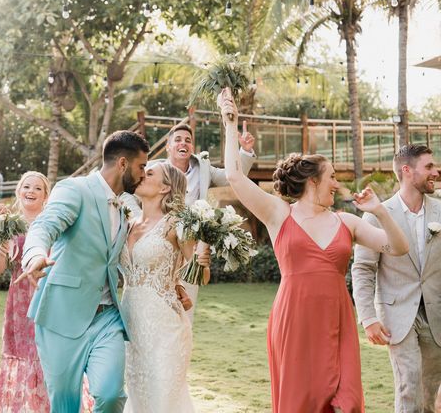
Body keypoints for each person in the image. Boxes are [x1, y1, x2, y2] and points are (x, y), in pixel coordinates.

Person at [219, 89, 409, 412]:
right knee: (300, 403)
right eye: (332, 177)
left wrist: (379, 211)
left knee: (347, 403)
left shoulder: (346, 221)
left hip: (337, 321)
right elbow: (234, 176)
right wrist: (229, 124)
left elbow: (397, 247)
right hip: (294, 320)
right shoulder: (279, 214)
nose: (336, 184)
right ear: (312, 180)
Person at [18, 130, 149, 412]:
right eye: (141, 166)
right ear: (123, 164)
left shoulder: (125, 205)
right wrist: (36, 254)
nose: (144, 174)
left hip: (108, 317)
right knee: (65, 404)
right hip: (62, 315)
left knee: (111, 394)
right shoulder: (74, 189)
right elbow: (45, 225)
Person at [124, 122, 256, 323]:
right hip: (157, 243)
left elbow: (231, 178)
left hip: (188, 245)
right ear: (168, 146)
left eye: (188, 140)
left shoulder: (202, 167)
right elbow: (127, 194)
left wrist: (245, 152)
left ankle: (179, 337)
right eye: (177, 140)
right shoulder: (152, 171)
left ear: (192, 147)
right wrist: (142, 220)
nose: (183, 143)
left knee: (185, 304)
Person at [0, 171, 93, 412]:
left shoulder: (55, 223)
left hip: (52, 298)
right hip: (20, 303)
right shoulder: (8, 225)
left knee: (52, 357)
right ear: (18, 192)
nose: (31, 191)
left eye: (38, 188)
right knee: (24, 357)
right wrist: (4, 244)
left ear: (46, 196)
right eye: (26, 186)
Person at [352, 144, 441, 413]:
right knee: (408, 385)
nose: (435, 172)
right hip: (397, 314)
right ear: (407, 171)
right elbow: (363, 269)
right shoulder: (378, 214)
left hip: (436, 313)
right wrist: (368, 318)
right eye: (428, 167)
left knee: (431, 389)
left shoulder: (440, 211)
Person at [120, 162, 208, 412]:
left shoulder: (177, 224)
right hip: (131, 325)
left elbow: (200, 273)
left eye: (149, 174)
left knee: (163, 397)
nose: (141, 176)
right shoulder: (128, 223)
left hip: (164, 326)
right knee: (139, 396)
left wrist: (204, 252)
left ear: (165, 187)